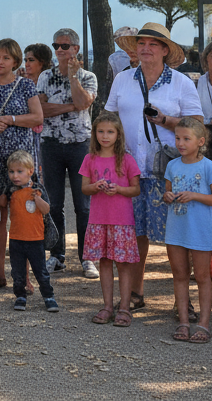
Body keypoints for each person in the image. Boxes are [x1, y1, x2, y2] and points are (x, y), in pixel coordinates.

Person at [105, 22, 202, 313]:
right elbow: (108, 121)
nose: (145, 48)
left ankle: (182, 302)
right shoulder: (122, 79)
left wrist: (165, 120)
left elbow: (198, 125)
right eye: (141, 43)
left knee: (178, 235)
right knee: (135, 233)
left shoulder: (181, 83)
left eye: (152, 44)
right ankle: (135, 293)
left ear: (165, 50)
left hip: (171, 171)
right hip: (129, 169)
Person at [0, 38, 45, 292]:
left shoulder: (25, 85)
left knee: (22, 214)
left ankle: (23, 277)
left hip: (19, 160)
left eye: (6, 57)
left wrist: (10, 119)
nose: (0, 62)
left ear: (15, 61)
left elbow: (37, 117)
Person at [37, 28, 99, 279]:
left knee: (83, 205)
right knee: (54, 204)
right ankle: (57, 255)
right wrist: (72, 106)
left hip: (79, 145)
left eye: (65, 46)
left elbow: (84, 102)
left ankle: (87, 257)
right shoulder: (45, 76)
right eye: (56, 46)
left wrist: (73, 77)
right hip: (50, 144)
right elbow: (41, 110)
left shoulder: (88, 76)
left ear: (76, 48)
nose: (60, 50)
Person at [163, 117, 212, 344]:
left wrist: (195, 195)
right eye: (177, 138)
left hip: (199, 230)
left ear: (200, 141)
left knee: (202, 277)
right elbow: (167, 193)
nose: (180, 143)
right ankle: (183, 322)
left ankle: (204, 324)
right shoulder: (172, 165)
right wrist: (167, 196)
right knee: (179, 276)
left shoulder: (209, 167)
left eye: (186, 139)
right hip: (176, 230)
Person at [81, 111, 141, 326]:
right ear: (94, 133)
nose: (105, 136)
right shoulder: (89, 159)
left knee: (123, 264)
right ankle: (107, 306)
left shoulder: (127, 159)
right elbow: (84, 188)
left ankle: (124, 308)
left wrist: (119, 189)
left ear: (118, 134)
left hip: (122, 221)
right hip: (98, 220)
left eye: (110, 132)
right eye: (100, 131)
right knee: (104, 263)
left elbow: (136, 189)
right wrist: (95, 186)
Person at [5, 149, 58, 312]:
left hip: (35, 239)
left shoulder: (37, 188)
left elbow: (46, 209)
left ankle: (48, 296)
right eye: (11, 171)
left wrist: (37, 198)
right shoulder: (10, 190)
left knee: (40, 271)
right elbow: (2, 204)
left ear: (30, 171)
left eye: (19, 171)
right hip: (16, 238)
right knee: (17, 272)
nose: (15, 176)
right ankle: (20, 296)